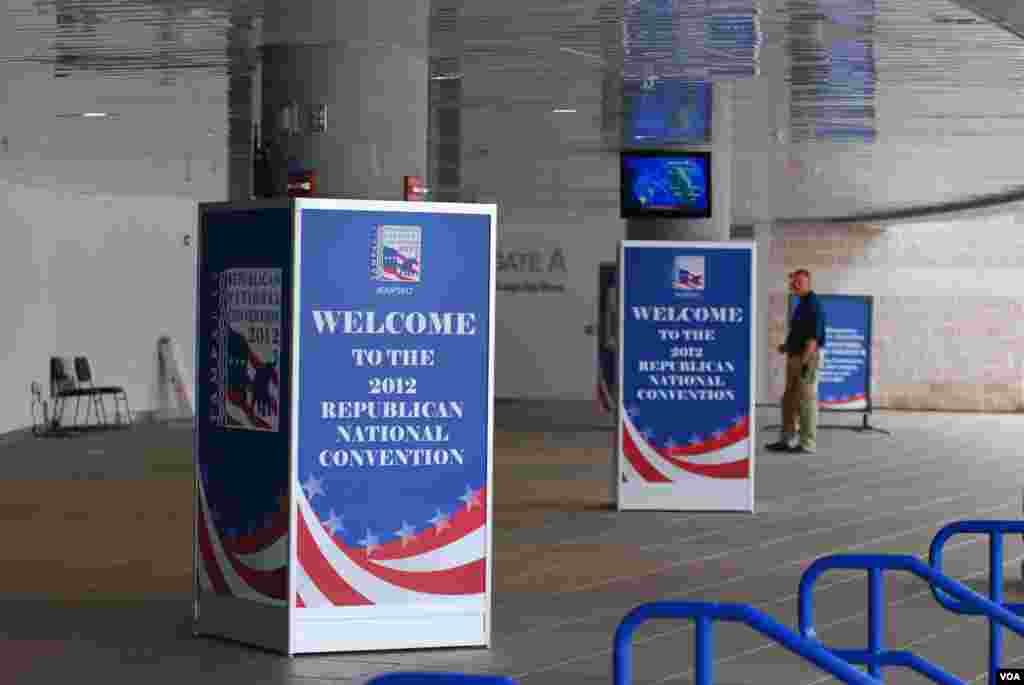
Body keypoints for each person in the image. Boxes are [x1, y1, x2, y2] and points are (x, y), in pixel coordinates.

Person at [765, 269, 826, 454]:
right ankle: (787, 439)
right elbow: (800, 333)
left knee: (806, 401)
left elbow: (813, 338)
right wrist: (787, 346)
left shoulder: (813, 304)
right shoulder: (801, 303)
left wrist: (806, 362)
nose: (794, 285)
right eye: (793, 282)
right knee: (789, 400)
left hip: (806, 358)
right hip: (794, 356)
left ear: (808, 283)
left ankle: (807, 443)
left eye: (799, 282)